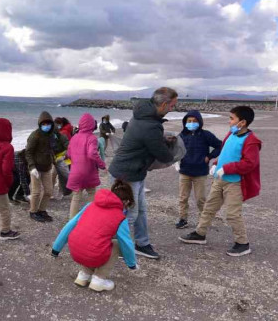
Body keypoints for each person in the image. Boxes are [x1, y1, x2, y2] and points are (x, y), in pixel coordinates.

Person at [179, 106, 262, 257]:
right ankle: (200, 233)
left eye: (232, 118)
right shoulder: (231, 134)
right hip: (220, 179)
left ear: (242, 122)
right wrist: (216, 163)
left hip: (234, 183)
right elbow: (224, 152)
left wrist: (228, 169)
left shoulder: (251, 141)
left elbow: (250, 163)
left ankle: (242, 243)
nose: (229, 121)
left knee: (232, 214)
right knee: (209, 207)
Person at [108, 87, 179, 260]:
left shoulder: (143, 116)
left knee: (140, 211)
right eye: (172, 106)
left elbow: (145, 139)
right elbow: (163, 155)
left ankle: (142, 243)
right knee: (128, 214)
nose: (172, 109)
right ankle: (115, 247)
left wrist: (160, 140)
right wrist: (172, 149)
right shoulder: (150, 125)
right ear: (163, 104)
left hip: (134, 172)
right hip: (126, 174)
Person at [50, 180, 138, 292]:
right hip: (92, 254)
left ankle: (84, 275)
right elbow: (126, 242)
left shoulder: (90, 205)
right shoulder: (120, 218)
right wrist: (131, 263)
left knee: (92, 239)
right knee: (115, 244)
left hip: (75, 251)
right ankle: (99, 279)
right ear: (125, 201)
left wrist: (56, 249)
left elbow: (70, 225)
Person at [175, 111, 223, 229]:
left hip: (200, 173)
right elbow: (175, 149)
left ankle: (203, 220)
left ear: (200, 122)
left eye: (194, 121)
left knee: (200, 199)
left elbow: (220, 145)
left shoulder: (206, 135)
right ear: (185, 122)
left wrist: (209, 157)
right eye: (189, 121)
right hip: (184, 171)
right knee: (183, 198)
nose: (192, 123)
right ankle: (183, 219)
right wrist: (176, 161)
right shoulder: (181, 136)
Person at [66, 114, 107, 219]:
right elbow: (92, 154)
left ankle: (71, 222)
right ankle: (90, 218)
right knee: (91, 193)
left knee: (76, 197)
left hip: (75, 172)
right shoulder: (92, 138)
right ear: (91, 125)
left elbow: (68, 155)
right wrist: (102, 165)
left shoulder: (74, 137)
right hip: (88, 171)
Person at [25, 111, 58, 222]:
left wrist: (54, 160)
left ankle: (42, 210)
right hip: (36, 168)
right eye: (43, 124)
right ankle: (33, 211)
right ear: (40, 124)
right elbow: (28, 152)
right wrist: (32, 167)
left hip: (47, 167)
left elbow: (51, 149)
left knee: (49, 191)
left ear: (51, 124)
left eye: (48, 124)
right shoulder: (35, 135)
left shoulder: (52, 135)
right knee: (36, 192)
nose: (46, 126)